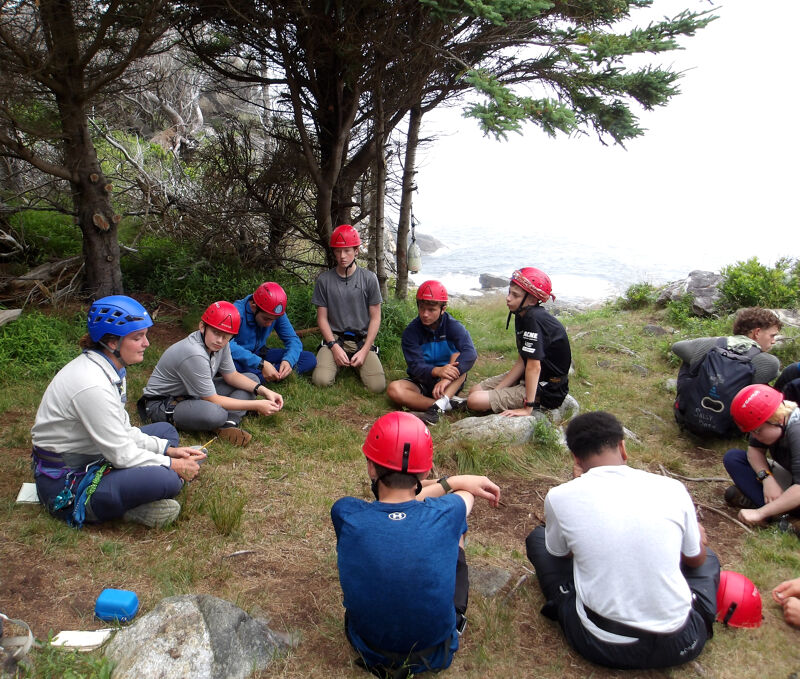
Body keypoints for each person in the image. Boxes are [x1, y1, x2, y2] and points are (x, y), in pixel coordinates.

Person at [525, 411, 720, 670]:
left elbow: (561, 555)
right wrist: (695, 539)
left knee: (540, 539)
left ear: (575, 457)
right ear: (622, 447)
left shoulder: (560, 496)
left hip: (603, 644)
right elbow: (696, 559)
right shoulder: (672, 488)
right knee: (708, 559)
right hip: (684, 640)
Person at [331, 411, 500, 677]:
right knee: (457, 532)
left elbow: (392, 504)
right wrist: (454, 482)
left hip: (368, 644)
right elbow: (465, 494)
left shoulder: (345, 512)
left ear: (371, 467)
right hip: (434, 651)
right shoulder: (449, 511)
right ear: (424, 471)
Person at [31, 296, 205, 528]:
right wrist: (172, 464)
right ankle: (114, 507)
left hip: (95, 453)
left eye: (145, 335)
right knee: (166, 478)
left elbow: (123, 431)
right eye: (137, 337)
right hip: (67, 479)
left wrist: (169, 450)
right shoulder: (91, 385)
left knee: (165, 432)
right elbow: (121, 454)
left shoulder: (110, 370)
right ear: (112, 343)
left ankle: (136, 491)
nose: (147, 344)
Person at [140, 301, 283, 447]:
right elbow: (212, 399)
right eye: (216, 333)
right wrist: (256, 405)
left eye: (226, 336)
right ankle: (223, 420)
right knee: (216, 413)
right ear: (203, 327)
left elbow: (232, 376)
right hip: (161, 403)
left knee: (251, 380)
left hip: (191, 394)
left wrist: (264, 391)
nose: (220, 340)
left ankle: (228, 424)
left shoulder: (221, 344)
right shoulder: (194, 352)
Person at [467, 267, 570, 416]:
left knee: (474, 400)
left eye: (515, 295)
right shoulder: (522, 314)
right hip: (529, 378)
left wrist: (527, 407)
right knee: (474, 391)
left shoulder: (533, 319)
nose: (508, 298)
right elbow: (523, 361)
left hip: (547, 388)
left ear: (533, 300)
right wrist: (497, 392)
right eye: (509, 292)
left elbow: (534, 367)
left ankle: (532, 404)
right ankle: (495, 399)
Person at [386, 280, 477, 425]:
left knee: (459, 357)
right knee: (394, 389)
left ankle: (440, 404)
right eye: (421, 308)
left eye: (431, 310)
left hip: (449, 382)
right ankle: (444, 405)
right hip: (422, 380)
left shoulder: (453, 326)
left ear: (443, 309)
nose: (425, 314)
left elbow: (470, 353)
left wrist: (446, 377)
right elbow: (415, 366)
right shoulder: (411, 331)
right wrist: (437, 371)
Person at [311, 224, 385, 393]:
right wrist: (334, 346)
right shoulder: (325, 280)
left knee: (377, 387)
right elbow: (322, 318)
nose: (342, 256)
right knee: (320, 380)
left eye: (347, 251)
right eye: (337, 251)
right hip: (335, 338)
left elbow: (375, 317)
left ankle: (357, 360)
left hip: (361, 340)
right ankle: (339, 359)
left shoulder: (369, 279)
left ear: (356, 251)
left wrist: (366, 349)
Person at [723, 384, 800, 526]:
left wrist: (761, 513)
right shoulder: (767, 422)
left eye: (758, 431)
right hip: (792, 479)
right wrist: (766, 479)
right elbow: (754, 451)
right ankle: (785, 516)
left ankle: (777, 515)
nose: (755, 436)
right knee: (734, 458)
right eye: (751, 432)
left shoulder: (797, 430)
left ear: (778, 419)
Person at [229, 281, 316, 382]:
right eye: (266, 319)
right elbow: (227, 346)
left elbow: (292, 339)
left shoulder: (274, 312)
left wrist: (288, 361)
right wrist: (260, 364)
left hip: (261, 353)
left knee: (309, 358)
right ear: (254, 307)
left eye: (274, 320)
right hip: (239, 358)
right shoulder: (235, 312)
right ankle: (267, 375)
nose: (270, 324)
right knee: (231, 366)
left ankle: (263, 376)